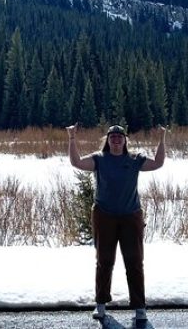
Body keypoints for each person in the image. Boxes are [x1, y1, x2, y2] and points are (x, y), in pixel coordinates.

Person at [67, 123, 166, 322]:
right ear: (108, 140)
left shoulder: (134, 159)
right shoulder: (99, 159)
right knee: (104, 261)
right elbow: (76, 162)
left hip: (131, 216)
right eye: (112, 137)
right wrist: (72, 138)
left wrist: (162, 139)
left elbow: (157, 163)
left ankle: (140, 307)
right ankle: (101, 304)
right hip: (104, 216)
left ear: (125, 140)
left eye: (120, 137)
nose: (116, 140)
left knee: (135, 262)